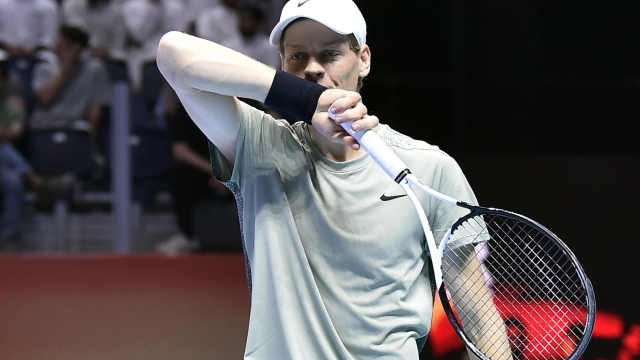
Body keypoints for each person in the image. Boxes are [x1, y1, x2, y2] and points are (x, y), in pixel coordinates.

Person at [156, 0, 506, 358]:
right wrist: (307, 101)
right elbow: (172, 53)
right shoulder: (260, 146)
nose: (313, 69)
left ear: (364, 59)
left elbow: (478, 314)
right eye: (297, 56)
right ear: (281, 64)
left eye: (330, 54)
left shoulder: (431, 168)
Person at [0, 54, 74, 250]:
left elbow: (16, 131)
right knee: (4, 148)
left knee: (13, 181)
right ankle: (37, 182)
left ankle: (9, 240)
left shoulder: (10, 107)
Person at [154, 85, 233, 255]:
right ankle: (187, 235)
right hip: (205, 174)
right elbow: (180, 151)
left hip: (239, 172)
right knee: (180, 175)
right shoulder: (186, 110)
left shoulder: (240, 108)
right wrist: (214, 172)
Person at [29, 25, 112, 146]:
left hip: (75, 127)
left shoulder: (94, 69)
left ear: (76, 48)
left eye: (61, 46)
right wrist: (66, 71)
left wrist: (91, 141)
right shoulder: (46, 65)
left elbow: (95, 108)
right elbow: (44, 98)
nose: (56, 49)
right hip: (45, 125)